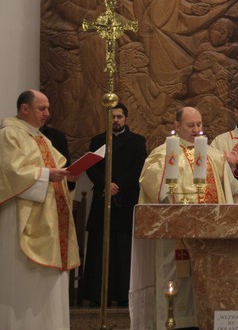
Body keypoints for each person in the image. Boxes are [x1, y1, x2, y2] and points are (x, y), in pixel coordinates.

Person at [132, 106, 238, 329]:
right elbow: (150, 183)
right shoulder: (163, 153)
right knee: (176, 280)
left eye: (199, 125)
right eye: (190, 125)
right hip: (176, 236)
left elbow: (232, 188)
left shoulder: (212, 154)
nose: (196, 130)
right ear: (177, 126)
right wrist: (165, 171)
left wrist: (232, 166)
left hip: (210, 234)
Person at [0, 90, 80, 329]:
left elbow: (58, 168)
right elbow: (10, 173)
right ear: (24, 109)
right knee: (25, 280)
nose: (47, 113)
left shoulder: (41, 138)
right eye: (41, 108)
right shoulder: (9, 135)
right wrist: (48, 175)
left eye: (47, 108)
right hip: (22, 219)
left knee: (50, 285)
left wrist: (66, 175)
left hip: (50, 223)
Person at [83, 102, 147, 307]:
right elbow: (90, 167)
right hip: (103, 197)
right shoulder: (98, 141)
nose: (116, 120)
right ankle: (96, 294)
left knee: (123, 247)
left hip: (125, 199)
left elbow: (139, 167)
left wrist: (118, 185)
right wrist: (105, 184)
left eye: (119, 116)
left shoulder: (137, 141)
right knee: (99, 245)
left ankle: (122, 294)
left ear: (125, 118)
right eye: (113, 117)